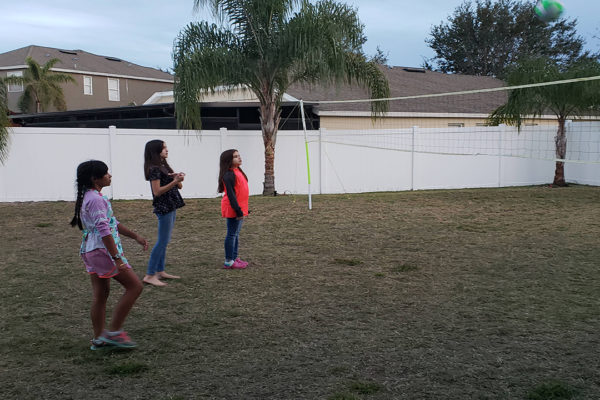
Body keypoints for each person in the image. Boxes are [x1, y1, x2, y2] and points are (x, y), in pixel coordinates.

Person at [70, 160, 147, 350]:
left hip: (91, 250)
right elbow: (104, 230)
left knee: (101, 294)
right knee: (135, 286)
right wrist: (117, 258)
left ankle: (99, 338)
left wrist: (135, 236)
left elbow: (112, 222)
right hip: (102, 251)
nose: (109, 175)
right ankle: (114, 332)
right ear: (94, 179)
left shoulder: (89, 196)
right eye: (106, 173)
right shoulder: (96, 200)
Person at [143, 140, 186, 286]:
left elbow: (179, 186)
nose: (167, 150)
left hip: (171, 205)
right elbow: (157, 192)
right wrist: (174, 181)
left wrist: (177, 178)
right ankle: (150, 275)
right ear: (156, 151)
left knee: (165, 241)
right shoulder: (154, 169)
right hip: (164, 207)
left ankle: (160, 271)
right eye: (163, 148)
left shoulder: (164, 166)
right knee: (162, 241)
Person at [218, 149, 250, 269]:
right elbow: (231, 195)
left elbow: (241, 191)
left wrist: (244, 209)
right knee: (231, 234)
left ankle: (234, 258)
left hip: (240, 208)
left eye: (239, 155)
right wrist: (238, 210)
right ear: (228, 160)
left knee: (236, 234)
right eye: (236, 156)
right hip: (233, 208)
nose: (239, 158)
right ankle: (229, 261)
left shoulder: (238, 171)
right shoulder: (229, 175)